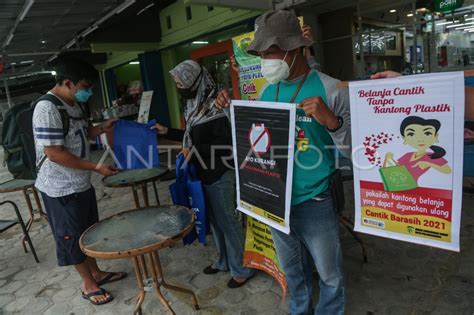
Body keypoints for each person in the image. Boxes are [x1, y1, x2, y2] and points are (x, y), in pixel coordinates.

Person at [216, 10, 350, 315]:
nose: (264, 59)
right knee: (293, 270)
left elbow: (355, 149)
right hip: (274, 200)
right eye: (261, 53)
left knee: (330, 273)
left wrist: (331, 121)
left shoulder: (331, 89)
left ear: (293, 48)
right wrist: (228, 109)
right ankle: (299, 310)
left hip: (315, 198)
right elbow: (255, 139)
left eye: (270, 51)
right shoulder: (267, 90)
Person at [153, 60, 255, 288]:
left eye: (181, 81)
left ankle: (243, 268)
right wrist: (167, 131)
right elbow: (193, 136)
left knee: (228, 222)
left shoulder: (217, 108)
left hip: (221, 174)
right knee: (215, 222)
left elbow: (227, 146)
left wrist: (193, 151)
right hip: (203, 174)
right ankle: (223, 261)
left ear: (194, 82)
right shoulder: (194, 106)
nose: (178, 86)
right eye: (176, 82)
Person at [33, 58, 126, 305]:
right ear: (67, 83)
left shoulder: (73, 104)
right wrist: (96, 166)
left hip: (80, 184)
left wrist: (101, 127)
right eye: (85, 86)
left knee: (87, 232)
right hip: (59, 188)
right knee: (71, 238)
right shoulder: (47, 108)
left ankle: (96, 273)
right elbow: (54, 153)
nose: (89, 91)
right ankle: (88, 284)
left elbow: (81, 134)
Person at [385, 116, 452, 183]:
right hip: (397, 184)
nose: (420, 139)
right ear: (404, 139)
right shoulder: (408, 155)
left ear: (435, 137)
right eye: (411, 134)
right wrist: (389, 159)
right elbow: (397, 169)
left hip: (411, 186)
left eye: (427, 133)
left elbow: (448, 170)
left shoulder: (433, 156)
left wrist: (429, 164)